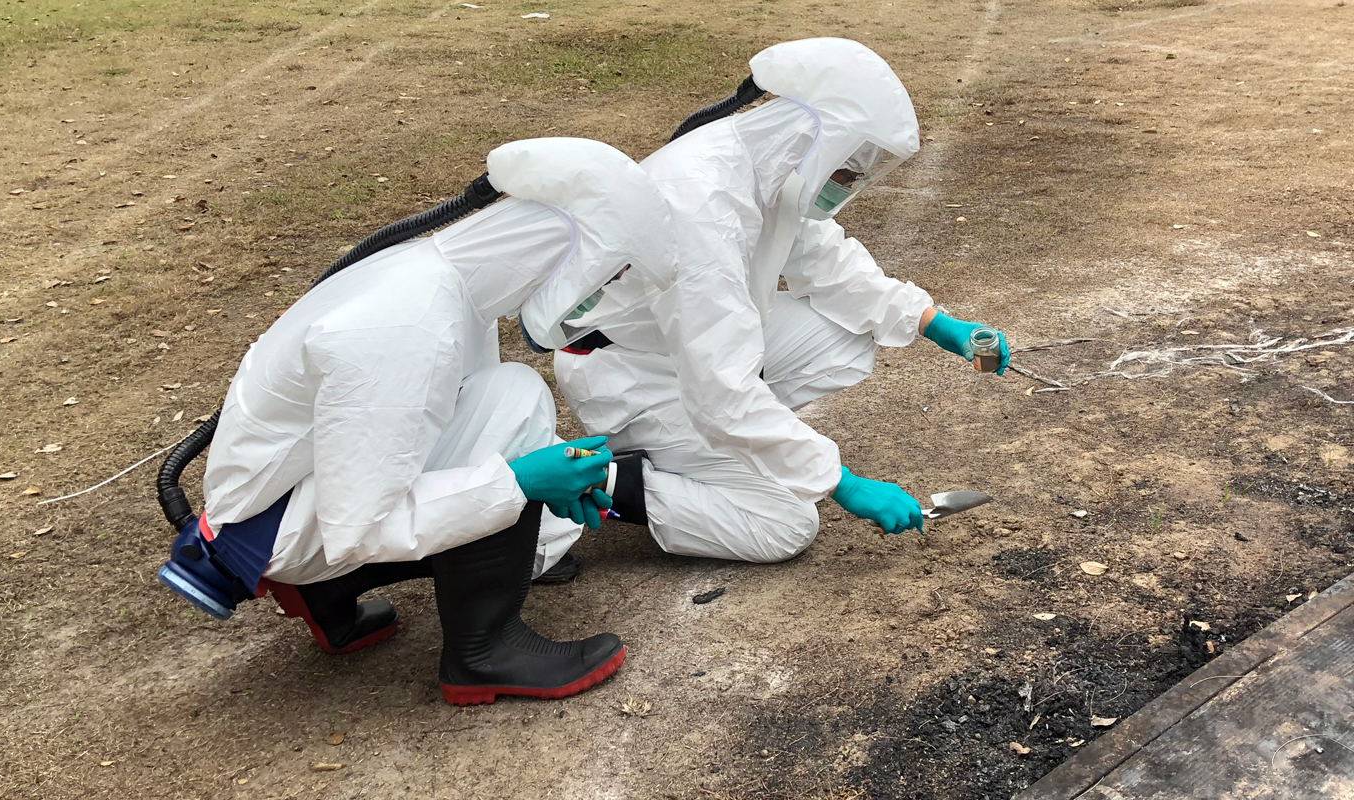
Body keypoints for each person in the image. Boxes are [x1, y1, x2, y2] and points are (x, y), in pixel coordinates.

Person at [159, 138, 676, 704]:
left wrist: (538, 481)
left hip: (287, 497)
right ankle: (482, 652)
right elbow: (361, 527)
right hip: (278, 528)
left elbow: (445, 424)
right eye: (605, 280)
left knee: (517, 413)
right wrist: (522, 482)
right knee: (515, 414)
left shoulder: (437, 280)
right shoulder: (408, 326)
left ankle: (331, 593)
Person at [547, 39, 1010, 566]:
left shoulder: (767, 164)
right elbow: (721, 388)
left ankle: (729, 451)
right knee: (785, 523)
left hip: (681, 353)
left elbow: (824, 260)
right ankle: (606, 480)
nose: (853, 182)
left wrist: (935, 323)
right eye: (851, 167)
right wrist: (839, 481)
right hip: (629, 375)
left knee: (844, 335)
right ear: (822, 140)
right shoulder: (700, 204)